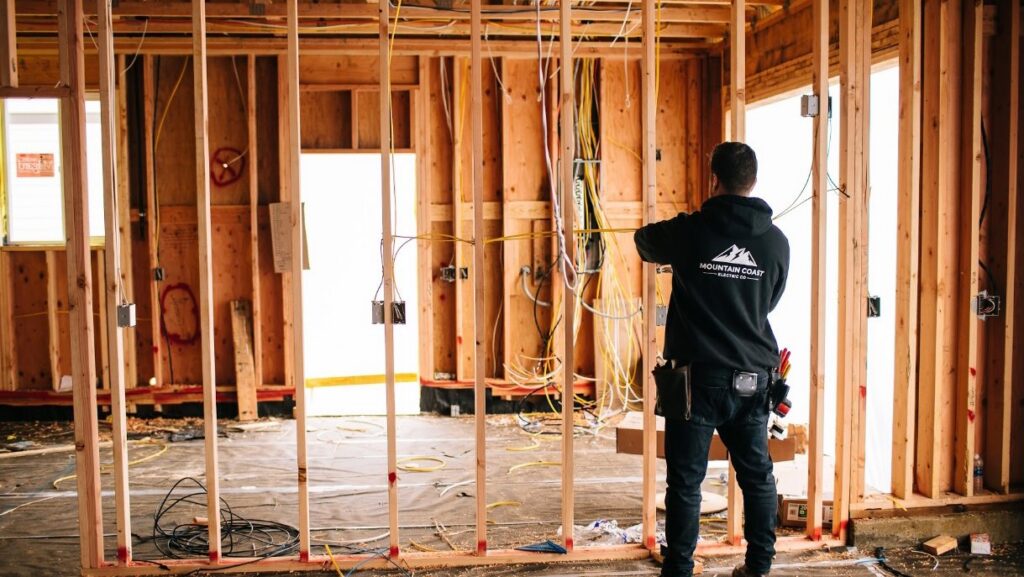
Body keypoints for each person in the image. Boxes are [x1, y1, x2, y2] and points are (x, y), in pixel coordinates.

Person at [633, 142, 789, 577]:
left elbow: (644, 241)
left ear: (713, 179)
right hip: (753, 379)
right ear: (753, 181)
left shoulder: (691, 232)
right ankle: (758, 567)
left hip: (697, 381)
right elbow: (769, 301)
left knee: (686, 482)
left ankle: (679, 569)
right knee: (757, 476)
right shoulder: (777, 243)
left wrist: (688, 238)